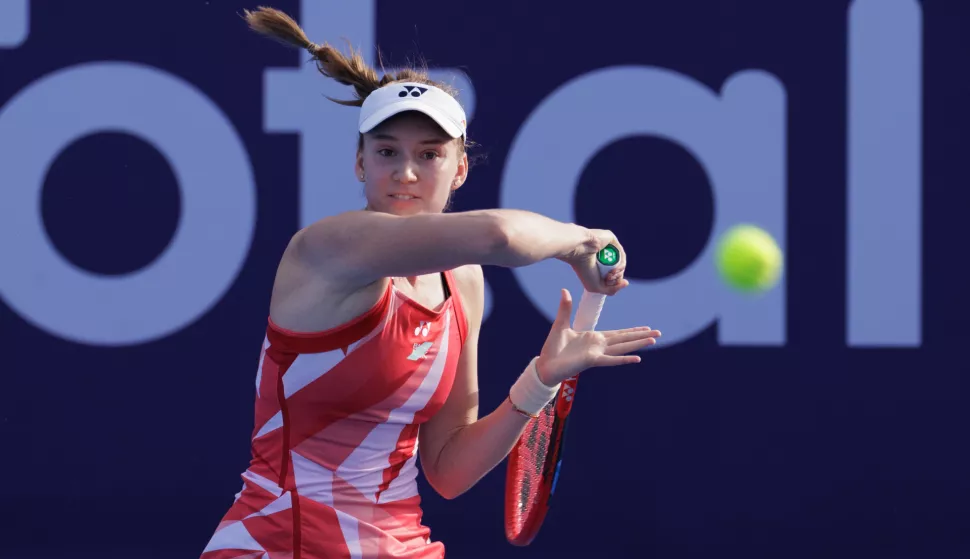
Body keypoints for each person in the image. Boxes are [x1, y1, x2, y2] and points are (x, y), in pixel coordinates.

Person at [200, 7, 661, 559]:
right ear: (360, 163)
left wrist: (540, 379)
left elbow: (447, 468)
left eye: (429, 155)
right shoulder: (328, 248)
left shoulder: (461, 282)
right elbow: (499, 235)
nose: (406, 173)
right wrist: (583, 241)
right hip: (279, 546)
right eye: (387, 152)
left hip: (404, 545)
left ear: (459, 169)